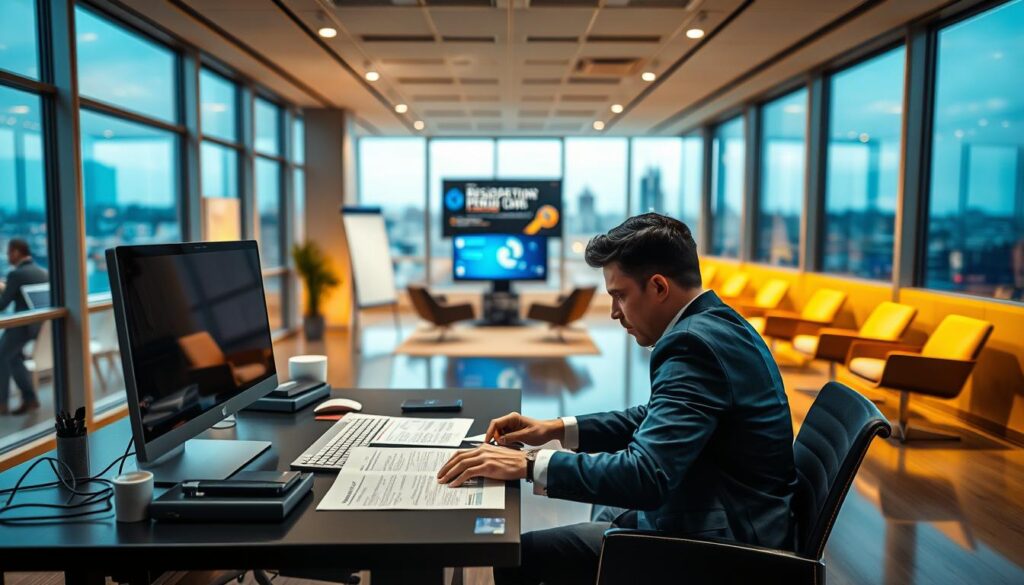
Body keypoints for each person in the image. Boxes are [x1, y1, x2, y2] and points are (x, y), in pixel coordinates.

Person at [436, 213, 797, 585]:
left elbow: (647, 475)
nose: (613, 313)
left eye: (619, 296)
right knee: (604, 505)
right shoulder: (718, 322)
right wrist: (556, 429)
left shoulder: (693, 345)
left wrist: (528, 463)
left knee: (519, 556)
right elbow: (654, 415)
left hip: (722, 545)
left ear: (658, 287)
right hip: (726, 508)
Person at [0, 239, 50, 415]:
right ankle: (30, 399)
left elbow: (2, 305)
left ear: (16, 252)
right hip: (41, 327)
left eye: (8, 253)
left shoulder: (16, 274)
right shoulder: (42, 272)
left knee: (1, 356)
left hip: (23, 327)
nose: (8, 257)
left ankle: (2, 404)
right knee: (14, 358)